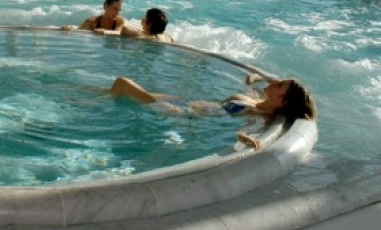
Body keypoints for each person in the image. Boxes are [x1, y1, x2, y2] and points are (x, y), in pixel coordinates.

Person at [110, 73, 316, 149]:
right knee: (115, 89)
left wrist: (247, 138)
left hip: (184, 113)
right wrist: (255, 78)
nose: (276, 81)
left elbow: (252, 128)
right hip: (188, 102)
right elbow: (250, 84)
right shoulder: (255, 101)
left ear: (281, 101)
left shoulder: (259, 115)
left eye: (280, 84)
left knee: (122, 83)